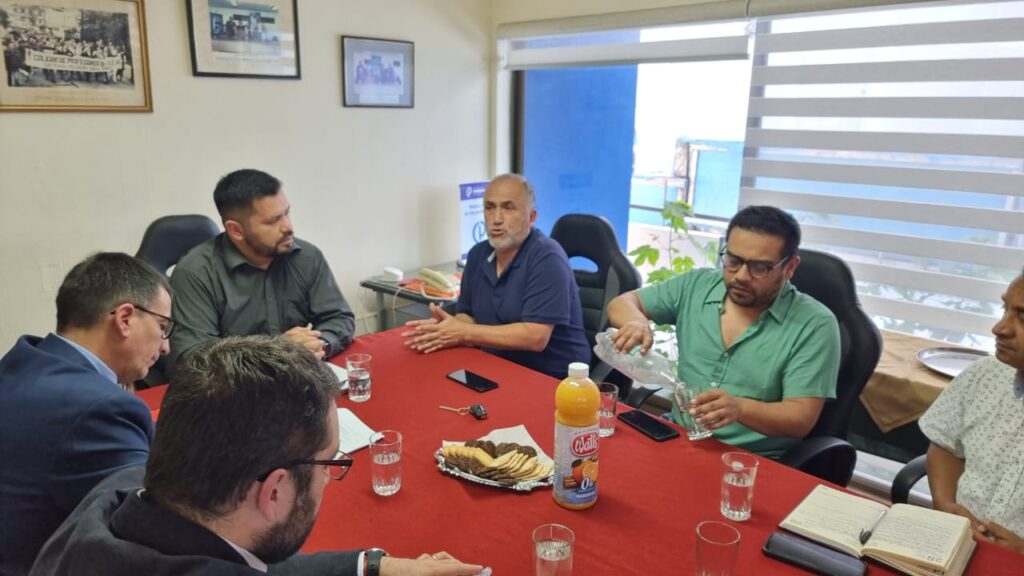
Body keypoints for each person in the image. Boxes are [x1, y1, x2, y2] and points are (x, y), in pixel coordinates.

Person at [30, 336, 483, 576]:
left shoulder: (114, 497)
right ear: (275, 490)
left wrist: (375, 567)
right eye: (329, 464)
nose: (328, 480)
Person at [606, 206, 840, 458]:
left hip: (750, 460)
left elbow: (800, 418)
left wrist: (740, 409)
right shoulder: (697, 286)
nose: (741, 276)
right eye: (733, 261)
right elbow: (622, 303)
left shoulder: (815, 324)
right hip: (678, 440)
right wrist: (636, 321)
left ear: (790, 267)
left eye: (760, 268)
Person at [0, 253, 172, 576]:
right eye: (163, 327)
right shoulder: (102, 409)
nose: (166, 348)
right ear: (125, 318)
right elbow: (153, 526)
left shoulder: (21, 362)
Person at [402, 174, 590, 378]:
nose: (497, 219)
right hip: (495, 364)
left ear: (532, 217)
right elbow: (468, 316)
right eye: (490, 208)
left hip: (550, 377)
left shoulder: (547, 257)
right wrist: (447, 327)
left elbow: (535, 337)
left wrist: (463, 332)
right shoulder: (478, 254)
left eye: (508, 208)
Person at [168, 168, 354, 372]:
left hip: (297, 376)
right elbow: (193, 357)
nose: (288, 227)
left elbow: (339, 318)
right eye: (273, 221)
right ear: (236, 230)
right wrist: (273, 353)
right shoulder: (196, 273)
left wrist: (320, 345)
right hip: (232, 386)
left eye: (286, 213)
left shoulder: (306, 257)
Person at [918, 270, 1024, 554]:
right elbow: (945, 446)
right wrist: (945, 504)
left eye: (1023, 317)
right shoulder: (985, 375)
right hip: (956, 546)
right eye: (1005, 309)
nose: (999, 328)